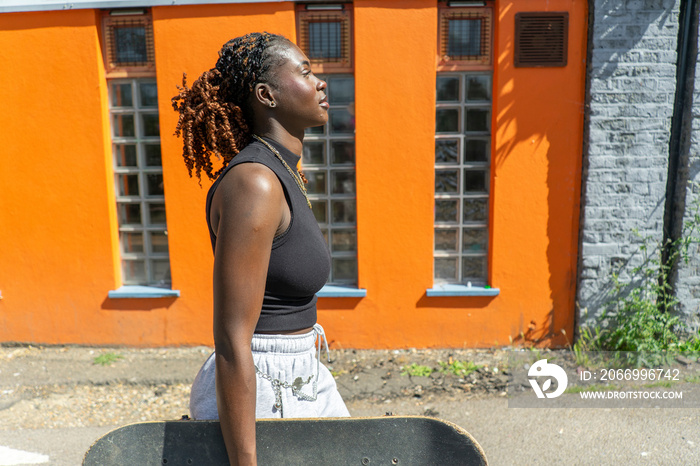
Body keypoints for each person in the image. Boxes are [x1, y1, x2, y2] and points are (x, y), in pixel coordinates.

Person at [172, 32, 349, 465]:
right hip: (267, 386)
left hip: (301, 372)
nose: (321, 82)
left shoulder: (283, 173)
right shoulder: (255, 183)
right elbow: (233, 338)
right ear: (266, 95)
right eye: (305, 71)